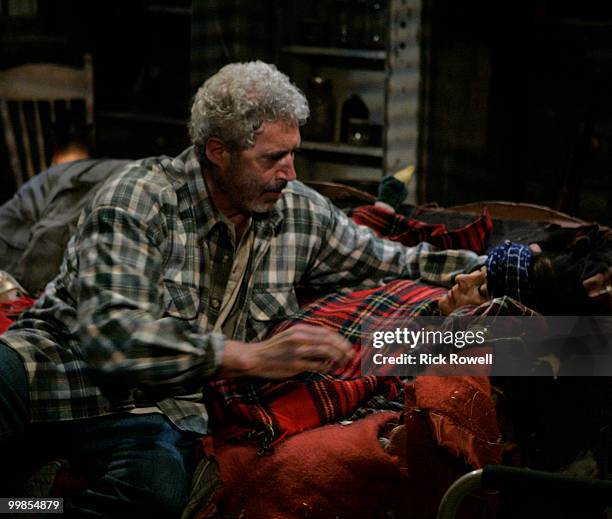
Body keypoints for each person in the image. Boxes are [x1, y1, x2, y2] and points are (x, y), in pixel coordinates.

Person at [0, 61, 481, 517]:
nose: (290, 172)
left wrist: (500, 269)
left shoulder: (295, 211)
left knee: (155, 495)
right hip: (58, 368)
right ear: (217, 152)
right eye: (273, 158)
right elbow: (114, 337)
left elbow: (392, 260)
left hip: (156, 405)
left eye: (293, 152)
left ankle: (30, 507)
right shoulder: (140, 198)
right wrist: (252, 356)